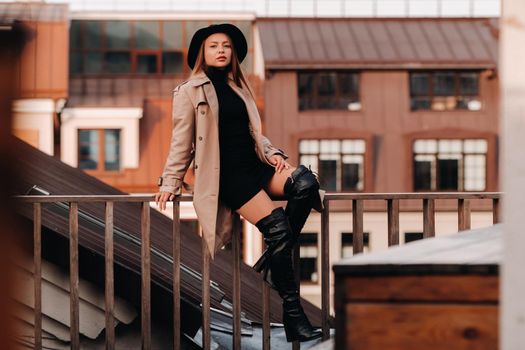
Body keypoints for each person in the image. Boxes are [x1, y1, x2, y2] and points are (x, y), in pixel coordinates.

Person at [154, 23, 324, 342]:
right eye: (214, 46)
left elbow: (252, 133)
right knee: (277, 229)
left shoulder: (239, 87)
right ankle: (293, 315)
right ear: (202, 54)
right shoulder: (188, 91)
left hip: (255, 165)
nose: (221, 50)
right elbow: (181, 141)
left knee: (305, 183)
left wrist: (272, 153)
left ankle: (275, 258)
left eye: (227, 46)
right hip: (229, 176)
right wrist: (170, 181)